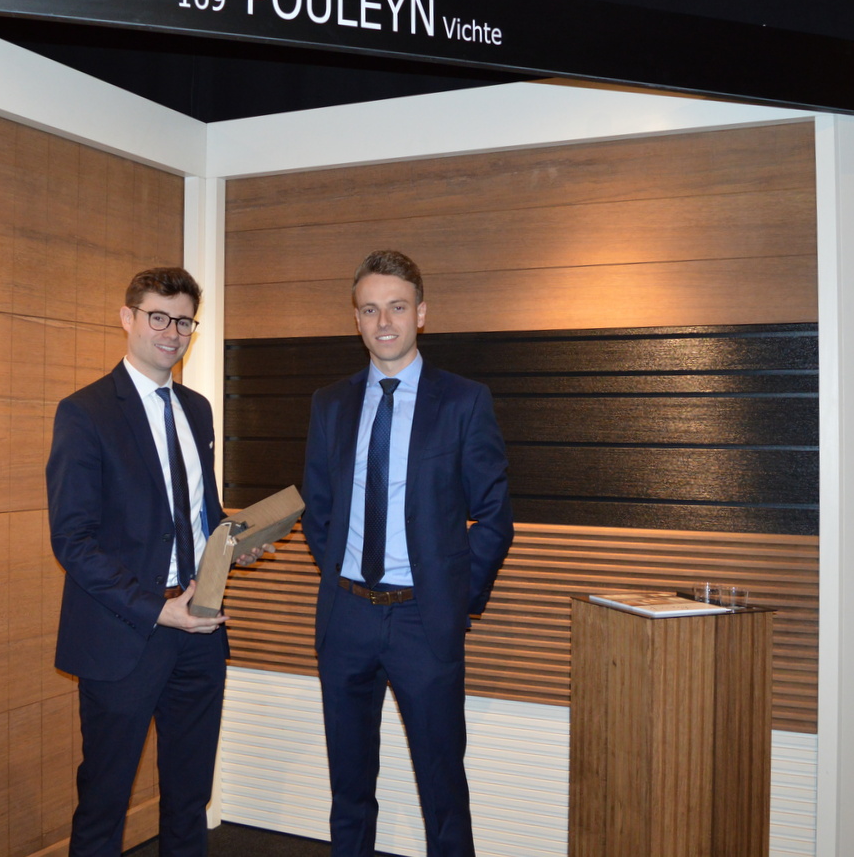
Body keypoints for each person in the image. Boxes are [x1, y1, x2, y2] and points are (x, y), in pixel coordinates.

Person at [47, 266, 266, 857]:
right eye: (159, 317)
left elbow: (200, 512)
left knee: (190, 799)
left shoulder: (197, 409)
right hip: (123, 634)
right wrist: (156, 609)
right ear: (128, 318)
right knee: (105, 802)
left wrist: (237, 542)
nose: (172, 332)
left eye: (184, 321)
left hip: (200, 630)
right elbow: (73, 540)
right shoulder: (85, 412)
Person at [302, 250, 514, 857]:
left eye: (397, 307)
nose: (384, 322)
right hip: (346, 617)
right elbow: (318, 509)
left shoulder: (464, 401)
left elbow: (495, 515)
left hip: (425, 619)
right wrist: (339, 574)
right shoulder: (330, 403)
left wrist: (454, 599)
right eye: (370, 310)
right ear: (357, 319)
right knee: (348, 788)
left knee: (442, 789)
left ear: (421, 313)